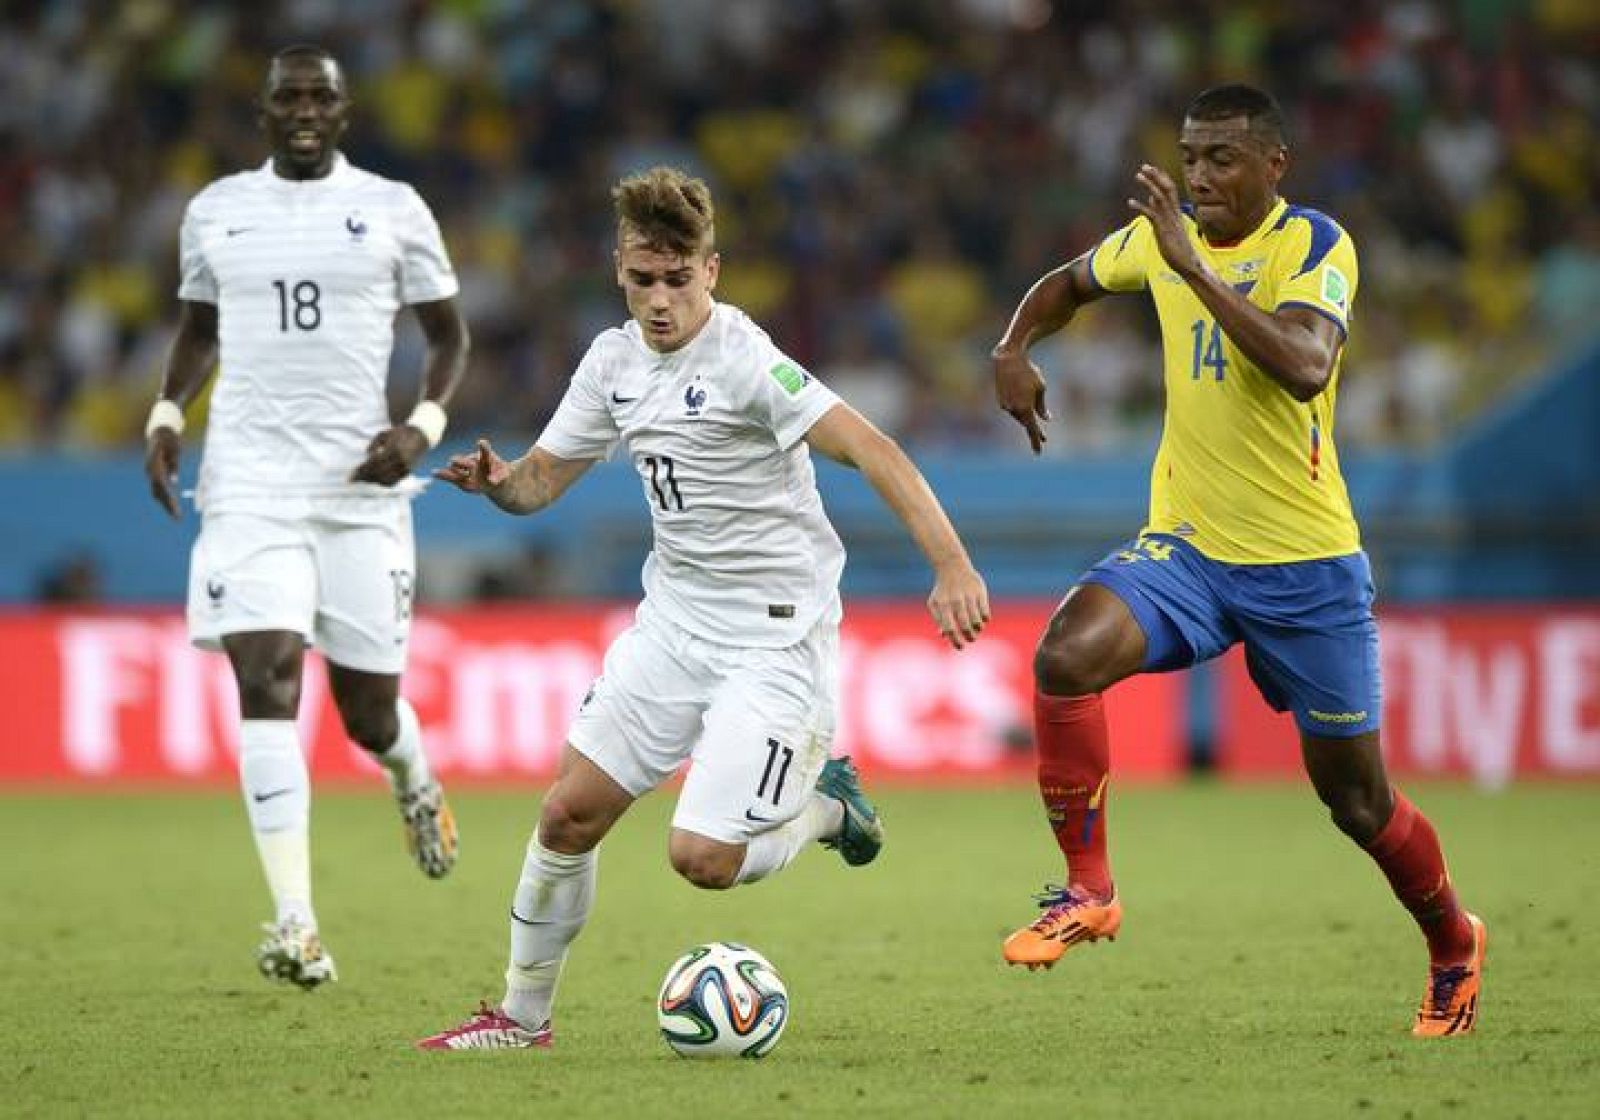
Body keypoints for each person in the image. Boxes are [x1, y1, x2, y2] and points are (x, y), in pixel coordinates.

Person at [417, 166, 990, 1050]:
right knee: (567, 814)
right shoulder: (611, 363)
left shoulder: (745, 360)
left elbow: (873, 448)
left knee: (703, 861)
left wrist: (951, 564)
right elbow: (540, 483)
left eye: (677, 281)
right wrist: (500, 486)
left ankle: (830, 807)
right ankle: (521, 1019)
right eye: (643, 279)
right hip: (674, 627)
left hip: (773, 642)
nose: (659, 301)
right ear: (619, 270)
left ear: (711, 273)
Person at [989, 85, 1484, 1038]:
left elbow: (1305, 365)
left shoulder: (1315, 245)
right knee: (1064, 655)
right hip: (1189, 551)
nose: (1199, 176)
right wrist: (1013, 344)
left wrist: (1192, 268)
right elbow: (1068, 282)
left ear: (1274, 166)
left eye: (1221, 158)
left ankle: (1452, 942)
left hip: (1306, 567)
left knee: (1357, 802)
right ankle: (1088, 889)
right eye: (1189, 156)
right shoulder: (1158, 238)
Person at [142, 45, 470, 990]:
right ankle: (297, 925)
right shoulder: (217, 212)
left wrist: (421, 427)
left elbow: (450, 336)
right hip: (248, 483)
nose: (303, 110)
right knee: (268, 672)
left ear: (344, 108)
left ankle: (412, 777)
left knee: (367, 715)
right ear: (263, 108)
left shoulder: (396, 210)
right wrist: (168, 415)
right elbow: (199, 330)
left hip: (360, 490)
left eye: (319, 96)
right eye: (287, 95)